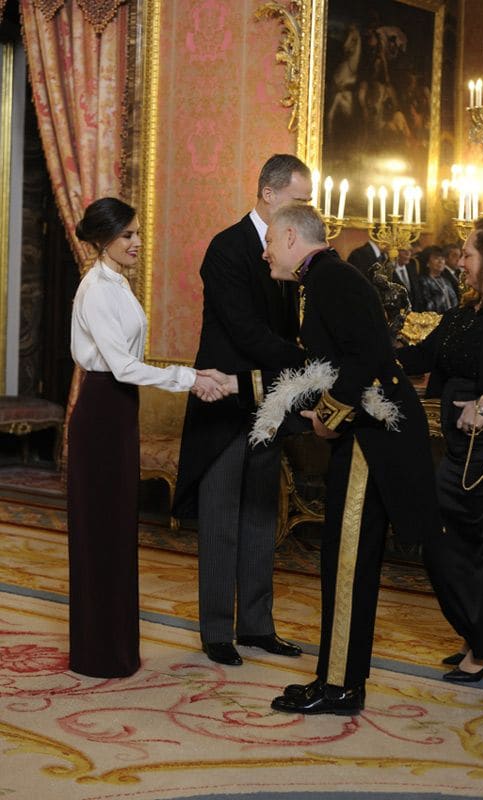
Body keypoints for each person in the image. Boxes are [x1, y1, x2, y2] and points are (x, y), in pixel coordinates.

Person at [254, 203, 440, 715]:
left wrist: (329, 416)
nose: (265, 251)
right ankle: (337, 680)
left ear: (291, 237)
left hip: (370, 442)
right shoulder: (326, 279)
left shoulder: (334, 280)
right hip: (366, 436)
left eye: (270, 241)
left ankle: (338, 687)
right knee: (344, 562)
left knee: (347, 564)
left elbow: (369, 355)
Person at [69, 197, 228, 679]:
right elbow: (120, 366)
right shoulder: (96, 288)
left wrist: (191, 375)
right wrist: (191, 378)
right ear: (103, 241)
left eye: (138, 233)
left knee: (117, 528)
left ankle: (116, 649)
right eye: (128, 236)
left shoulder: (117, 283)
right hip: (101, 410)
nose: (138, 242)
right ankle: (98, 654)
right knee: (100, 531)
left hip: (118, 410)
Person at [172, 154, 311, 667]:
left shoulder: (286, 250)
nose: (305, 210)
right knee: (221, 519)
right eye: (299, 199)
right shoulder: (226, 248)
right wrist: (307, 364)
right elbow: (247, 332)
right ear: (269, 194)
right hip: (224, 403)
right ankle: (216, 632)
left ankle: (257, 626)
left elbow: (284, 328)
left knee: (259, 516)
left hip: (266, 402)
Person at [397, 217, 483, 682]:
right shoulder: (463, 312)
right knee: (441, 540)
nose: (462, 263)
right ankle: (477, 630)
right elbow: (419, 357)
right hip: (460, 450)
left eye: (470, 255)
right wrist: (368, 338)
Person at [419, 245, 458, 312]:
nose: (440, 261)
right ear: (427, 263)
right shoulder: (423, 281)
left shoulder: (446, 280)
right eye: (436, 258)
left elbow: (455, 301)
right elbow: (428, 306)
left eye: (442, 258)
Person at [391, 246, 424, 311]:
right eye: (403, 250)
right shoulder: (388, 270)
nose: (408, 253)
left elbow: (417, 293)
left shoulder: (412, 267)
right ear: (394, 252)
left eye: (409, 250)